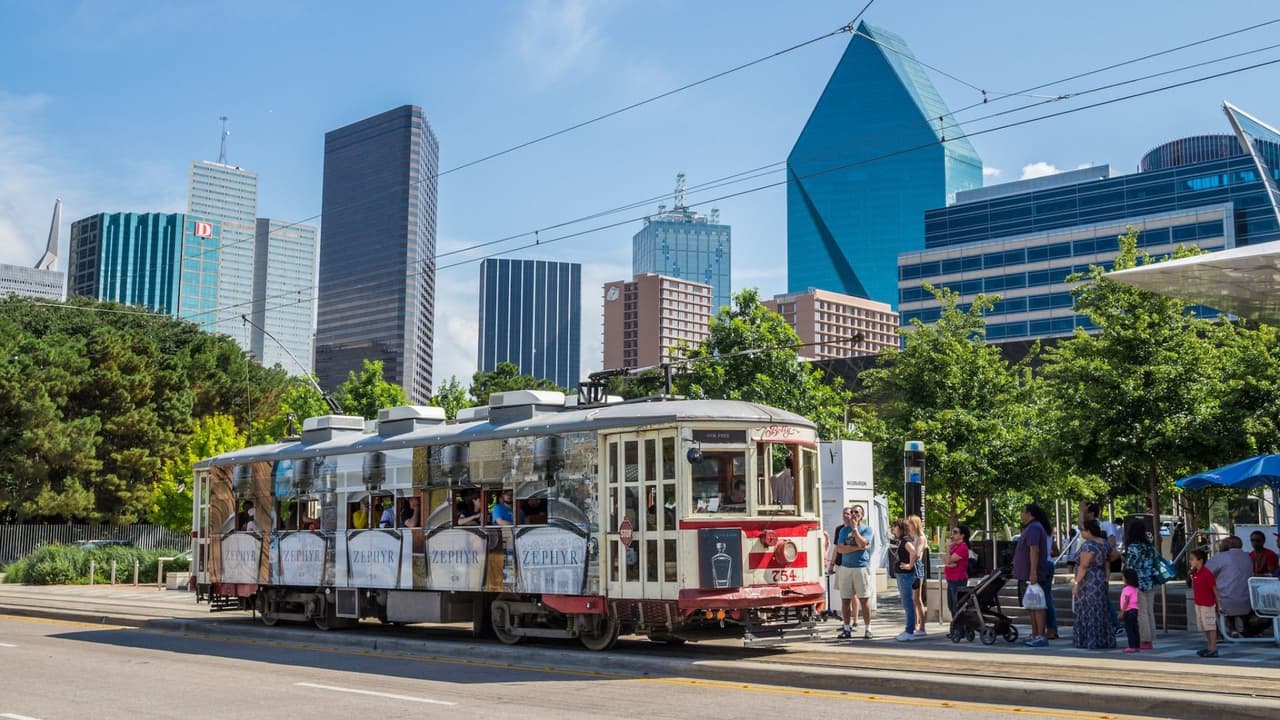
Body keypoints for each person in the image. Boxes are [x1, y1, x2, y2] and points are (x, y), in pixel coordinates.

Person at [829, 505, 874, 639]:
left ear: (862, 515)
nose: (854, 514)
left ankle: (868, 628)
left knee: (864, 598)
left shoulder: (867, 529)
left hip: (861, 567)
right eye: (852, 512)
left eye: (857, 512)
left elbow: (863, 542)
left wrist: (855, 530)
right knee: (845, 600)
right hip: (845, 567)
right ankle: (846, 628)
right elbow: (841, 549)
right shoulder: (843, 530)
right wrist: (858, 548)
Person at [1070, 519, 1116, 650]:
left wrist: (1076, 583)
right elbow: (1114, 554)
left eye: (1083, 530)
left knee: (1087, 607)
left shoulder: (1088, 545)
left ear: (1088, 531)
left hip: (1089, 580)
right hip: (1100, 578)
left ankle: (1088, 639)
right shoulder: (1104, 542)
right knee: (1100, 607)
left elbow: (1083, 566)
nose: (1081, 533)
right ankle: (1103, 638)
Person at [1014, 503, 1053, 647]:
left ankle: (1041, 635)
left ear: (1029, 513)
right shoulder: (1031, 528)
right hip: (1025, 574)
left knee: (1037, 605)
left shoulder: (1034, 528)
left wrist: (1033, 572)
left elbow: (1034, 550)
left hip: (1032, 574)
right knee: (1031, 605)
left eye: (1022, 511)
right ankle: (1035, 633)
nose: (1021, 514)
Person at [1122, 518, 1160, 650]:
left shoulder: (1133, 547)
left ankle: (1145, 639)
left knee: (1141, 612)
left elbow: (1130, 565)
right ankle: (1151, 637)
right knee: (1149, 611)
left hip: (1137, 583)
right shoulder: (1149, 547)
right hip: (1150, 580)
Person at [1206, 537, 1254, 637]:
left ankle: (1216, 633)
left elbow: (1205, 573)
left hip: (1226, 602)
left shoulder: (1221, 556)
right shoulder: (1247, 557)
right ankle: (1235, 629)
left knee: (1207, 595)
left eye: (1224, 542)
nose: (1221, 544)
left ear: (1230, 544)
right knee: (1229, 589)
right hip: (1247, 603)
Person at [1189, 549, 1220, 658]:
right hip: (1199, 603)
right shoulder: (1195, 573)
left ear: (1200, 560)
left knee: (1210, 626)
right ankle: (1209, 647)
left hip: (1207, 603)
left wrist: (1218, 604)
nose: (1191, 561)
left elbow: (1214, 589)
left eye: (1193, 559)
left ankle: (1213, 648)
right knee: (1206, 626)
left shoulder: (1207, 573)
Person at [891, 519, 918, 642]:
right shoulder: (902, 540)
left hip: (905, 575)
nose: (893, 529)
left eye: (895, 527)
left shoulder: (906, 540)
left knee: (908, 603)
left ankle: (910, 631)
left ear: (901, 528)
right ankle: (910, 628)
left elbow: (914, 552)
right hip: (902, 575)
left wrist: (910, 565)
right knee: (907, 603)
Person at [906, 514, 928, 637]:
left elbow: (918, 553)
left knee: (917, 598)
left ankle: (922, 626)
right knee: (913, 599)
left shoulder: (920, 537)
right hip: (912, 566)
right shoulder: (912, 537)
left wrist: (911, 562)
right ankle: (915, 624)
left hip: (917, 567)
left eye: (909, 523)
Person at [944, 525, 971, 618]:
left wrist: (948, 550)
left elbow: (948, 560)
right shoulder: (954, 546)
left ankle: (960, 630)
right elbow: (945, 560)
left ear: (962, 535)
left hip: (958, 580)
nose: (952, 535)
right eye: (952, 532)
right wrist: (948, 562)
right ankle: (955, 628)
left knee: (957, 606)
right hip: (951, 579)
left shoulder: (962, 547)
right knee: (951, 605)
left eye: (955, 532)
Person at [1119, 568, 1141, 653]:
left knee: (1129, 629)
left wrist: (1122, 611)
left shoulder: (1127, 589)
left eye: (1123, 577)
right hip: (1135, 610)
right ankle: (1137, 646)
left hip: (1128, 611)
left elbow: (1126, 601)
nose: (1122, 578)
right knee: (1135, 629)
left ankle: (1131, 646)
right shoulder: (1135, 588)